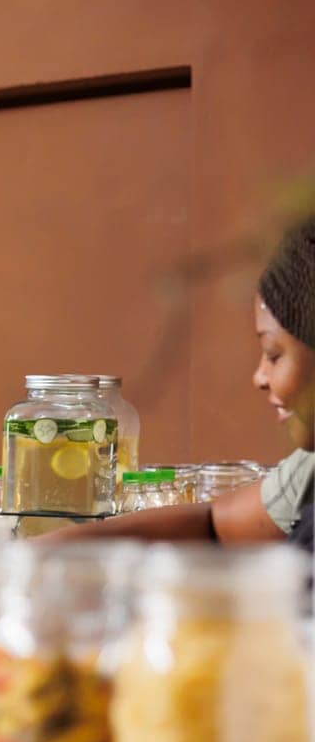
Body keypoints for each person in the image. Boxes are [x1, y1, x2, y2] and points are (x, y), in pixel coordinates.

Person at [52, 216, 315, 542]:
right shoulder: (308, 471)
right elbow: (215, 526)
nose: (259, 377)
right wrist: (35, 555)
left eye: (274, 355)